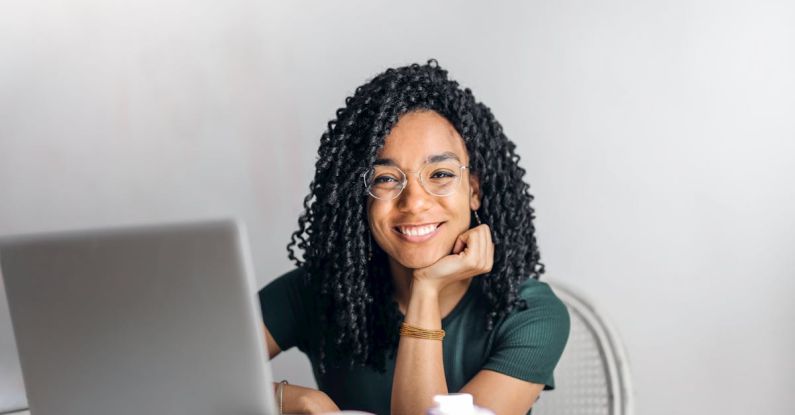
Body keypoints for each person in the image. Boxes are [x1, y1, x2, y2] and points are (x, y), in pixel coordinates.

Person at [258, 60, 570, 415]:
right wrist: (295, 400)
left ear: (474, 190)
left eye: (440, 173)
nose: (415, 202)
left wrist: (425, 289)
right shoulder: (320, 290)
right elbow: (189, 372)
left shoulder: (529, 314)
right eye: (386, 178)